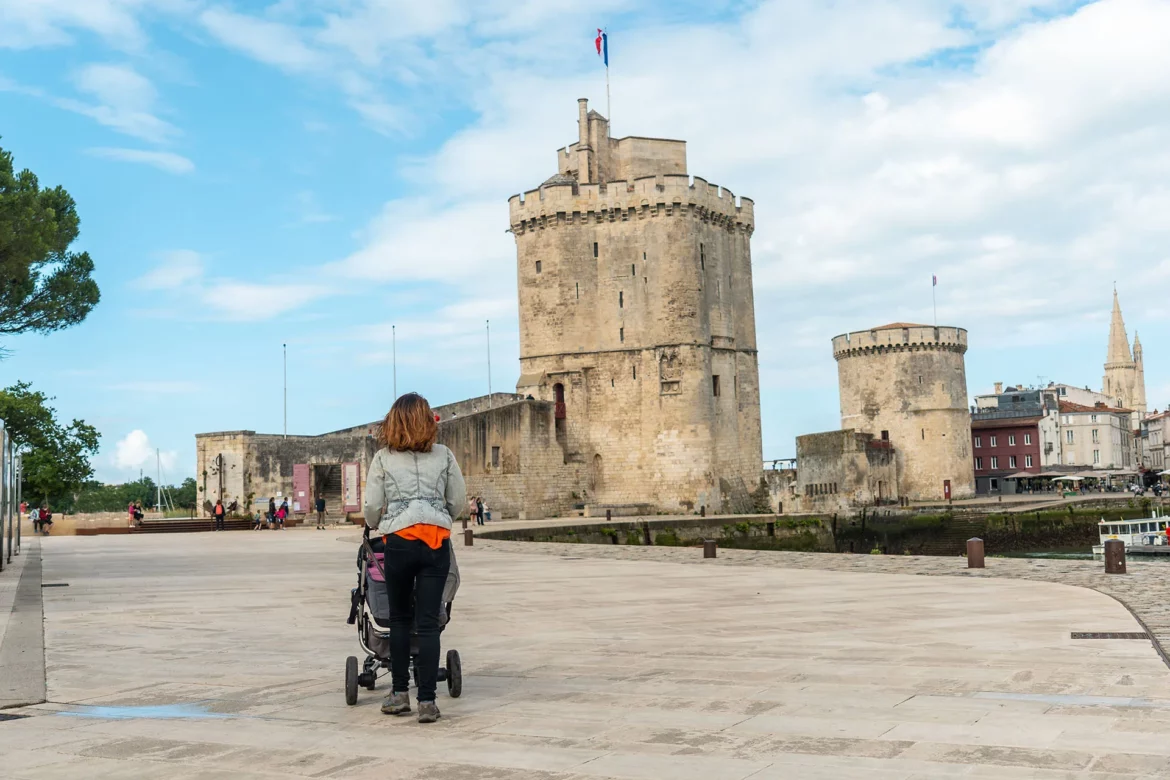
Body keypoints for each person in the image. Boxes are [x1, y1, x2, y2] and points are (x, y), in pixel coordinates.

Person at [364, 392, 465, 724]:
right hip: (435, 542)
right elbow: (457, 501)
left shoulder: (383, 458)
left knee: (400, 619)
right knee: (429, 622)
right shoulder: (445, 455)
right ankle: (427, 701)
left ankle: (398, 694)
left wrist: (377, 522)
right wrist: (439, 516)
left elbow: (371, 507)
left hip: (400, 542)